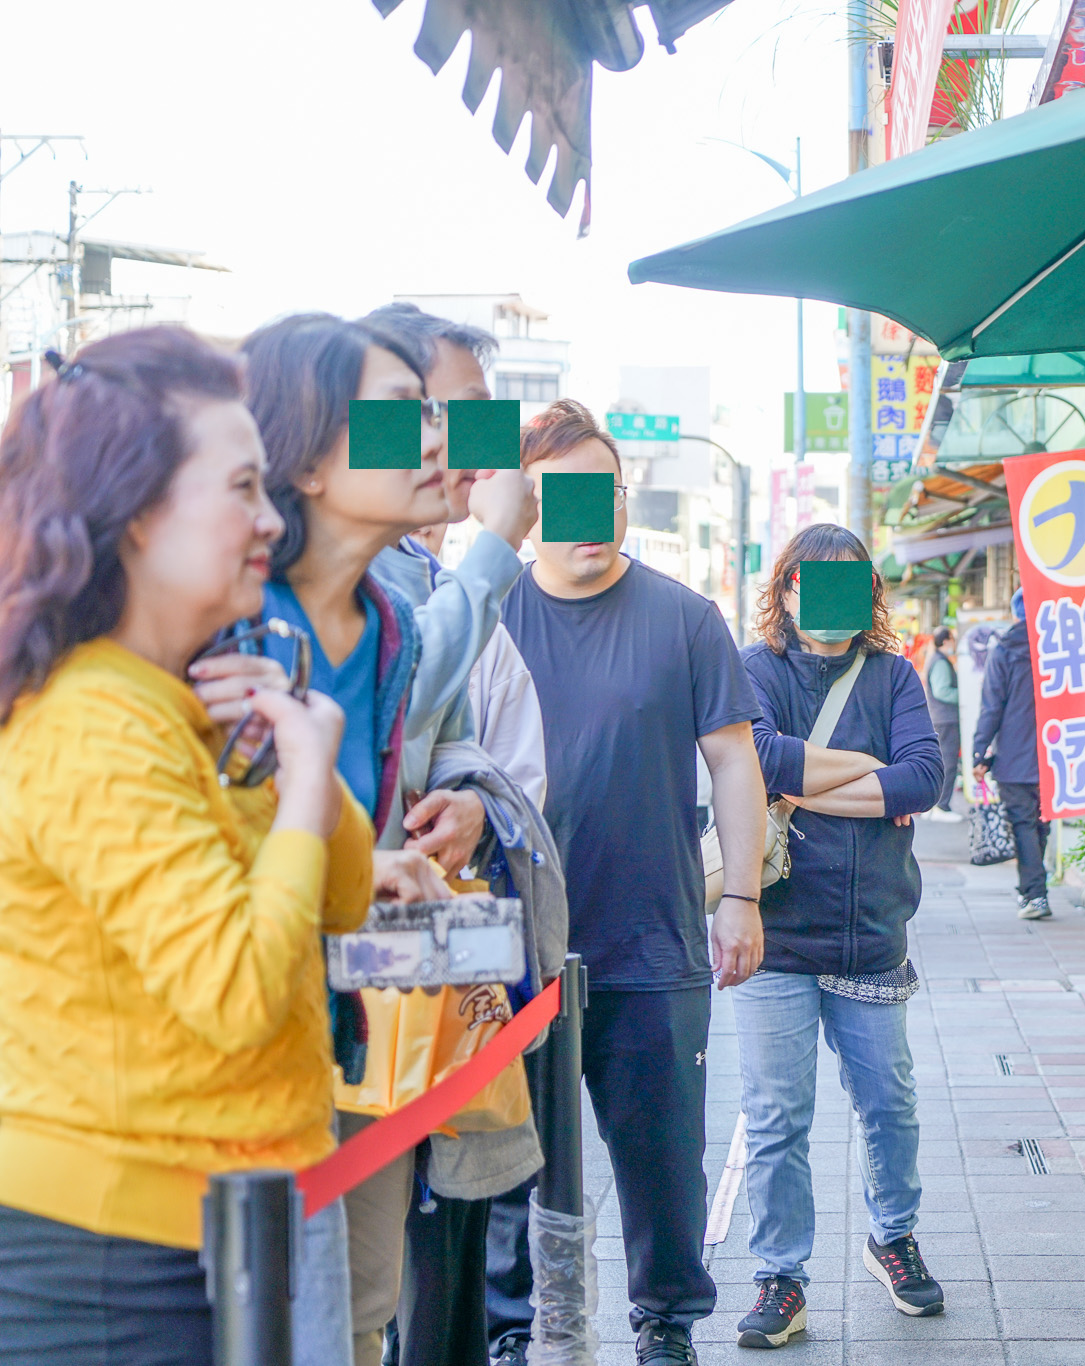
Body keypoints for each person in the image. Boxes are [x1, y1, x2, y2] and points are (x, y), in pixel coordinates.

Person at [0, 327, 376, 1365]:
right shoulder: (94, 723)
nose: (269, 520)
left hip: (192, 1231)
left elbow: (342, 899)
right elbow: (237, 990)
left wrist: (303, 754)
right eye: (244, 488)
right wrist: (302, 781)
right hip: (105, 1263)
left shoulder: (168, 704)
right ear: (135, 514)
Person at [500, 399, 769, 1366]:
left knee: (661, 1158)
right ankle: (510, 1329)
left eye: (601, 492)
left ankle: (665, 1324)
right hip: (512, 951)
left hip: (651, 939)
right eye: (558, 494)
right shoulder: (488, 613)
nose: (586, 514)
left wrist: (740, 897)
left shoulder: (686, 619)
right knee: (508, 1161)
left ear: (623, 499)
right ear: (525, 502)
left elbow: (736, 762)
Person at [240, 312, 484, 1366]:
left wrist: (372, 864)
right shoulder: (228, 615)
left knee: (356, 1311)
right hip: (213, 1052)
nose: (436, 443)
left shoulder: (387, 629)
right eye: (401, 417)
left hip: (334, 1020)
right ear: (299, 453)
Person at [353, 305, 552, 1366]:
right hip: (340, 995)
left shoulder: (420, 569)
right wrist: (494, 549)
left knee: (386, 1289)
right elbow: (402, 700)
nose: (476, 447)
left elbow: (447, 744)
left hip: (414, 983)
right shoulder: (361, 572)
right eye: (457, 414)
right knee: (354, 1297)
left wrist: (473, 802)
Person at [731, 525, 946, 1349]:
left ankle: (892, 1236)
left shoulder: (895, 675)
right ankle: (780, 1275)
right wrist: (868, 772)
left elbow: (924, 778)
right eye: (813, 585)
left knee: (889, 1103)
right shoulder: (756, 671)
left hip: (869, 931)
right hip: (776, 931)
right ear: (785, 591)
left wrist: (808, 778)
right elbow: (753, 757)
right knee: (776, 1114)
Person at [972, 587, 1051, 919]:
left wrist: (978, 752)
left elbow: (992, 706)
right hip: (1054, 755)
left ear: (1016, 613)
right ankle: (1033, 889)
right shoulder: (1056, 647)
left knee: (1023, 824)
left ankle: (1035, 894)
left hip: (1015, 758)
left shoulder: (1003, 650)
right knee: (1042, 824)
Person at [921, 625, 963, 821]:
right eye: (952, 639)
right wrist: (965, 695)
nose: (954, 644)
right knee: (948, 763)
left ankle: (936, 805)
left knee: (943, 761)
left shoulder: (935, 659)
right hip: (946, 719)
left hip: (940, 718)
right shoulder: (940, 662)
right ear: (946, 641)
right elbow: (942, 691)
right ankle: (942, 806)